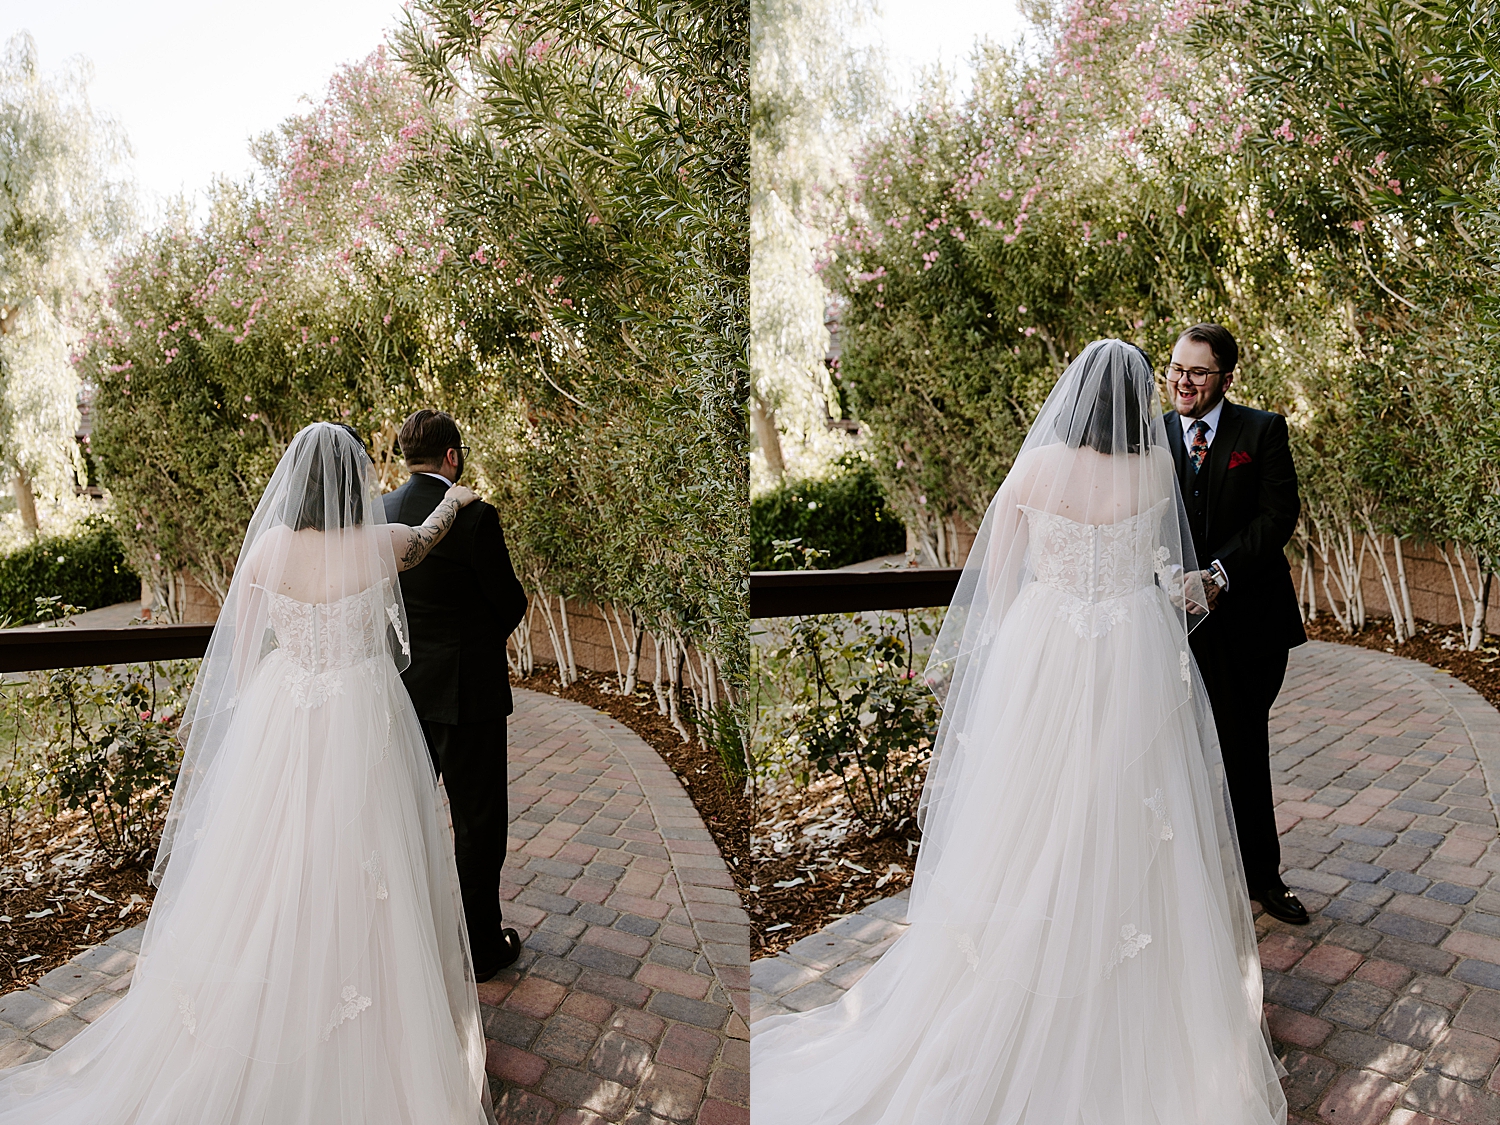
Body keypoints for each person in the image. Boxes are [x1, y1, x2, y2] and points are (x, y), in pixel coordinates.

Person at [750, 341, 1287, 1125]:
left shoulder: (1036, 471)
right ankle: (1139, 1012)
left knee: (1032, 818)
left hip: (1049, 650)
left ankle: (1020, 985)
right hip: (1136, 648)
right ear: (1137, 402)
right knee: (1133, 812)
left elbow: (1000, 580)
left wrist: (1012, 657)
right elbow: (1166, 566)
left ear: (1070, 400)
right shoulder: (1154, 470)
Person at [0, 422, 494, 1122]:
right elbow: (428, 535)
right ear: (353, 481)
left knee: (269, 867)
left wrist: (261, 705)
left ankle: (270, 1007)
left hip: (283, 711)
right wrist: (458, 500)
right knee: (369, 863)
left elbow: (238, 646)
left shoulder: (267, 550)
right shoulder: (379, 544)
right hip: (360, 712)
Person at [1163, 323, 1309, 925]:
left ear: (1225, 376)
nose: (1183, 381)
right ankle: (1185, 885)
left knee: (1245, 749)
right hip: (1172, 625)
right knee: (1174, 754)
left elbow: (1279, 517)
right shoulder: (1154, 436)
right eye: (1175, 368)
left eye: (1198, 371)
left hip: (1249, 622)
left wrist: (1217, 575)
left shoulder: (1263, 430)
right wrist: (1171, 577)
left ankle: (1263, 880)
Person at [382, 410, 529, 979]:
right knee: (478, 822)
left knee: (407, 815)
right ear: (452, 457)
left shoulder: (380, 512)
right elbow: (510, 603)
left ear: (405, 456)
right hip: (470, 695)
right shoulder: (476, 517)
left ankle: (415, 942)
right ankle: (483, 948)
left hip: (401, 690)